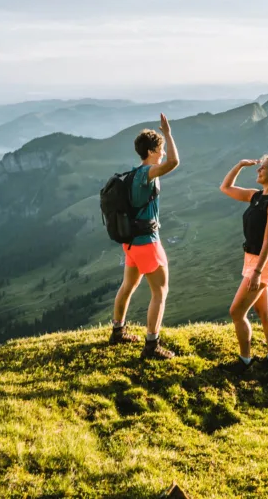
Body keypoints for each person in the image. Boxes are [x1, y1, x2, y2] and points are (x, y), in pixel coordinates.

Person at [108, 114, 179, 359]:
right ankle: (152, 345)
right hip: (148, 243)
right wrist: (168, 133)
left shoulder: (133, 174)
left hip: (131, 244)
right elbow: (174, 162)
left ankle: (117, 332)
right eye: (159, 150)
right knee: (160, 292)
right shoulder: (147, 173)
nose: (162, 154)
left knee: (128, 285)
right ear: (150, 151)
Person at [219, 155, 268, 372]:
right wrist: (239, 165)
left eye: (262, 169)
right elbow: (226, 187)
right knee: (265, 312)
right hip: (252, 260)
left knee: (236, 312)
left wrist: (257, 272)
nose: (258, 171)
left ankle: (244, 362)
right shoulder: (256, 196)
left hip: (264, 263)